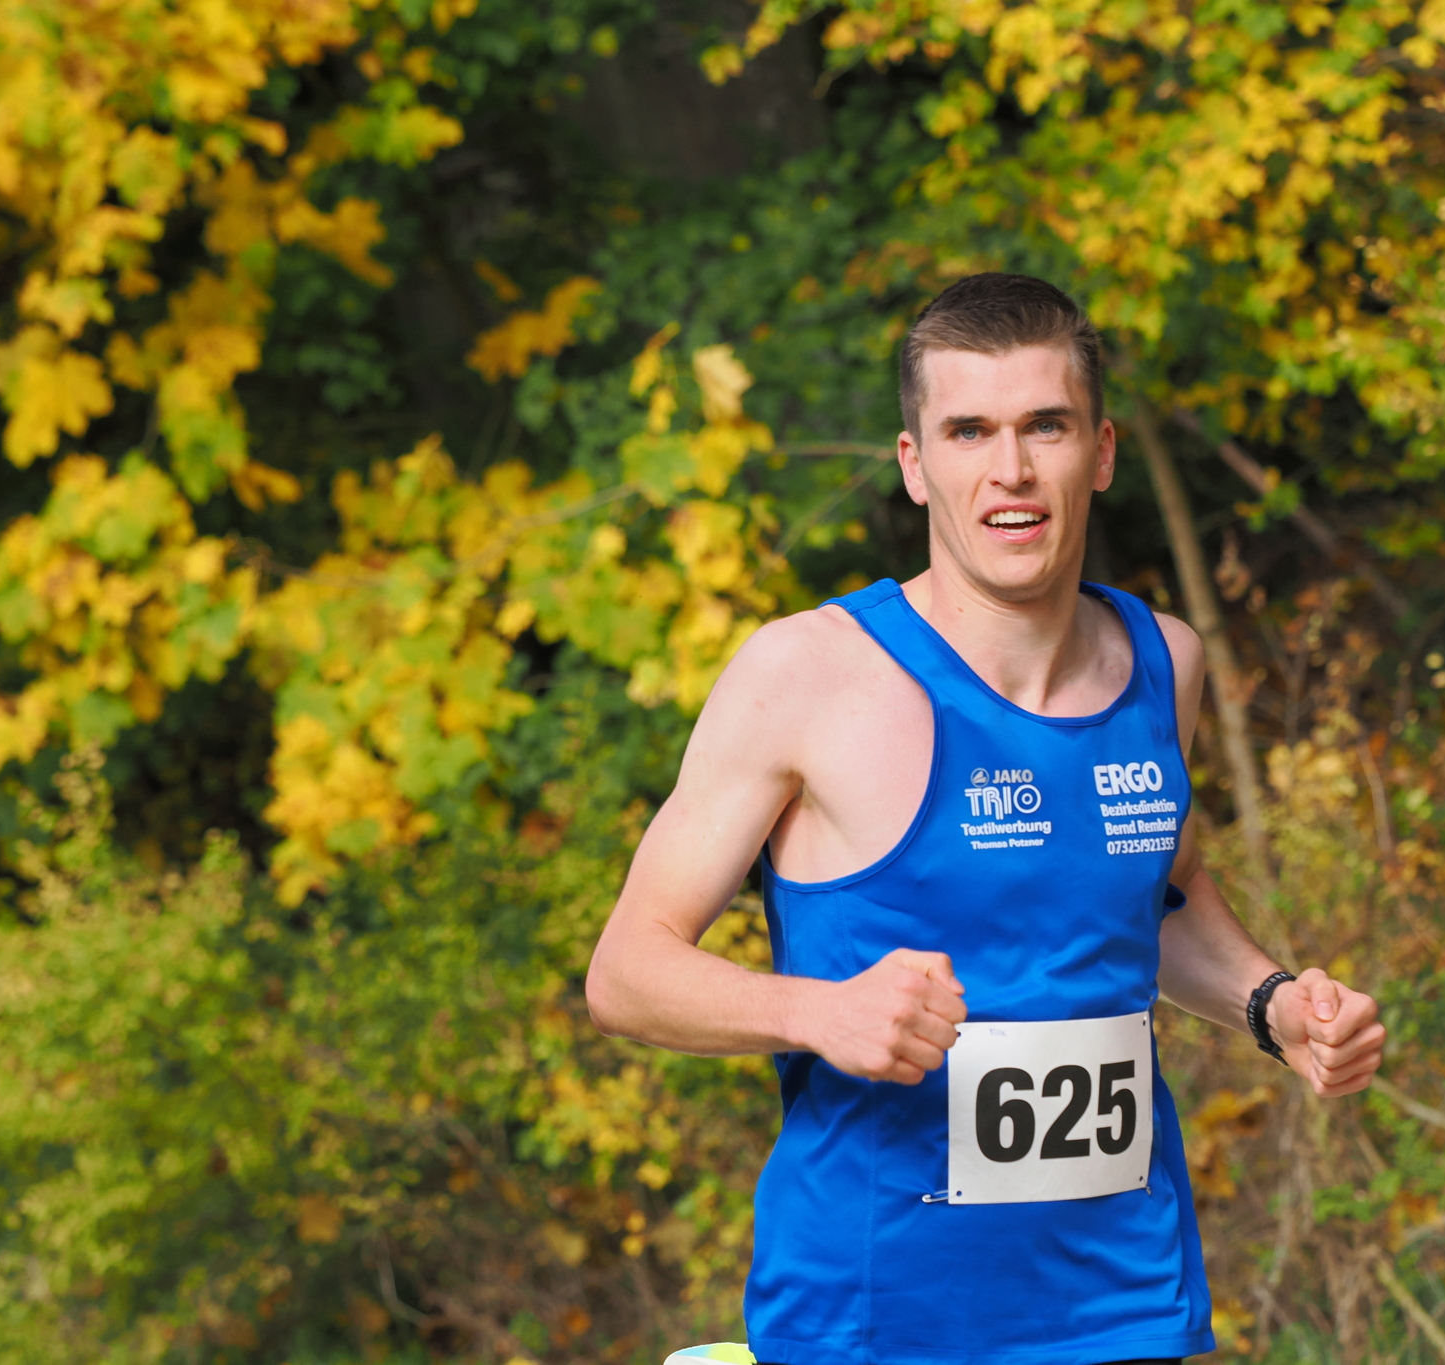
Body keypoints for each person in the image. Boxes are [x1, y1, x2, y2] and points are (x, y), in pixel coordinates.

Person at [584, 273, 1386, 1365]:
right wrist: (817, 1011)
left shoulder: (1166, 662)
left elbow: (1159, 899)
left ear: (1099, 451)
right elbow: (626, 972)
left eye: (1044, 425)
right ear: (916, 464)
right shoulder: (808, 674)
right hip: (878, 1322)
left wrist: (1271, 1005)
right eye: (968, 432)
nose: (1010, 470)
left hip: (1127, 1305)